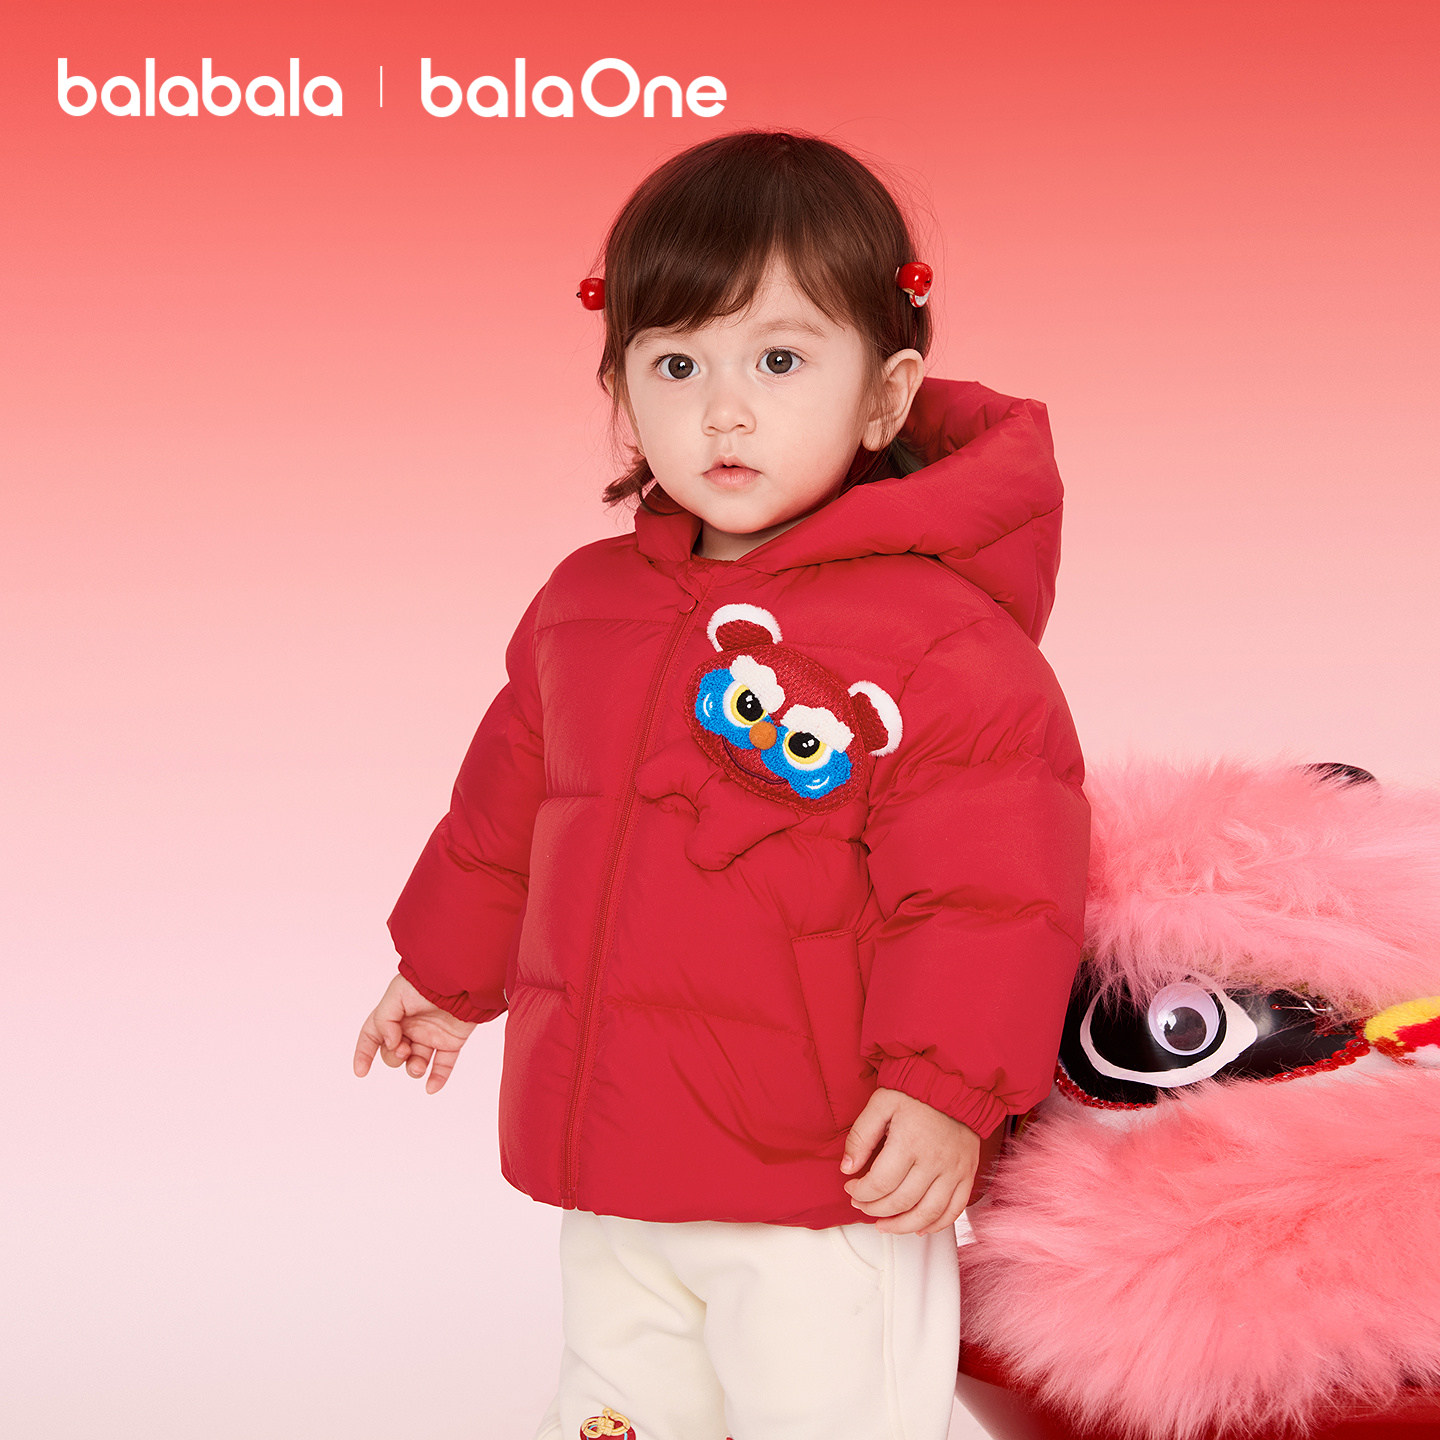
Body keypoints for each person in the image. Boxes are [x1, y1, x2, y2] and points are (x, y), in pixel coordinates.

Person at [352, 128, 1091, 1440]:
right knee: (619, 1412)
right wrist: (443, 977)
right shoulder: (586, 608)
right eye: (677, 363)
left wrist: (945, 1085)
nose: (724, 410)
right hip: (618, 1159)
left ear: (884, 396)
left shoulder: (939, 643)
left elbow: (988, 895)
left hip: (825, 1182)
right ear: (621, 385)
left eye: (780, 360)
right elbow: (503, 822)